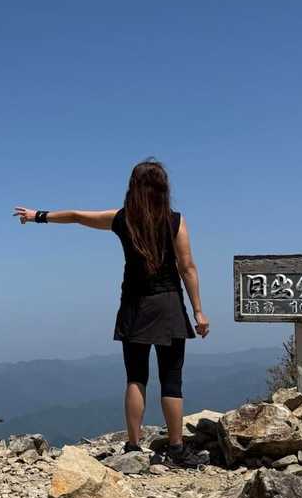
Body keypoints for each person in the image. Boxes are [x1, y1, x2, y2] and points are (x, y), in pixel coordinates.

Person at [14, 159, 211, 468]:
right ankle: (176, 448)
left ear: (133, 187)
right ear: (163, 188)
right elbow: (187, 267)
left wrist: (38, 216)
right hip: (169, 305)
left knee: (136, 377)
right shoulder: (175, 221)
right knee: (172, 379)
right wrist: (198, 311)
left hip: (134, 305)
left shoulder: (122, 219)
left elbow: (77, 216)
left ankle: (133, 446)